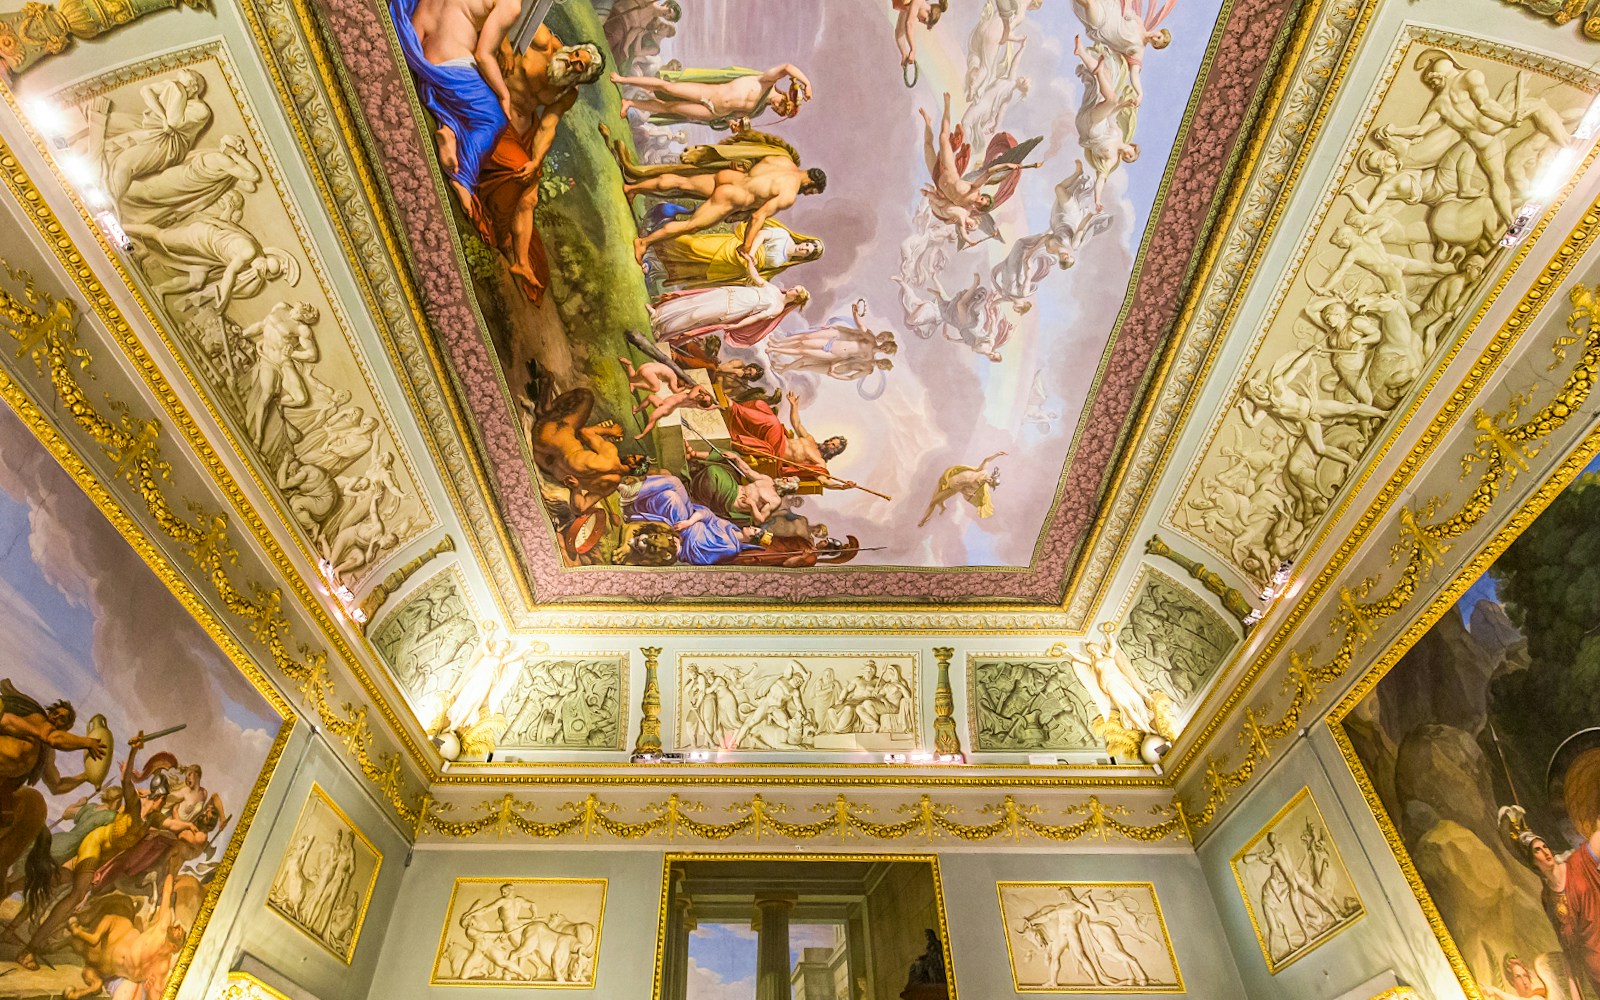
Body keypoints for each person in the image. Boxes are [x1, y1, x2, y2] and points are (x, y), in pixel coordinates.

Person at [475, 27, 605, 301]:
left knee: (530, 195)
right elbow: (507, 15)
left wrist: (536, 161)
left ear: (582, 76)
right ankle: (499, 230)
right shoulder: (543, 40)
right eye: (577, 56)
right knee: (515, 172)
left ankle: (521, 262)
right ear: (575, 48)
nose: (573, 64)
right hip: (496, 106)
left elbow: (548, 126)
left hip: (524, 130)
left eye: (580, 68)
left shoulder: (567, 92)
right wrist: (507, 45)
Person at [608, 127, 828, 264]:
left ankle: (632, 189)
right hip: (732, 198)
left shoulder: (782, 159)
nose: (807, 194)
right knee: (691, 226)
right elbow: (758, 217)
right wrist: (747, 245)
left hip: (729, 177)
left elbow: (749, 158)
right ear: (811, 182)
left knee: (680, 181)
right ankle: (644, 242)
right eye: (811, 192)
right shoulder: (789, 194)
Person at [390, 0, 521, 214]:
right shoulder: (510, 5)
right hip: (447, 61)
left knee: (467, 95)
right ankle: (463, 179)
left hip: (415, 37)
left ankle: (450, 133)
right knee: (495, 119)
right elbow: (484, 55)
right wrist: (504, 94)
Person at [920, 91, 1034, 237]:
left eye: (981, 203)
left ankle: (928, 122)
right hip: (948, 169)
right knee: (943, 137)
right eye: (982, 198)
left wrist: (969, 228)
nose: (979, 200)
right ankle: (947, 105)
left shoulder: (966, 210)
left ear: (980, 208)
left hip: (938, 178)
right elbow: (990, 172)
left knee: (927, 146)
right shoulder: (975, 188)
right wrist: (1008, 166)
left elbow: (956, 220)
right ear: (982, 195)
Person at [647, 252, 810, 348]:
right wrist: (748, 261)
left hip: (732, 309)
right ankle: (658, 314)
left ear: (797, 299)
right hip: (730, 293)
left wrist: (736, 325)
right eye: (796, 287)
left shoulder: (777, 308)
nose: (793, 289)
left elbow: (756, 317)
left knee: (696, 316)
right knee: (692, 302)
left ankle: (661, 331)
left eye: (797, 291)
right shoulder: (774, 290)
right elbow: (756, 277)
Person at [613, 63, 812, 130]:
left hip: (713, 112)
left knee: (671, 108)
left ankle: (629, 103)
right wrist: (806, 83)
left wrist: (732, 124)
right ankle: (623, 79)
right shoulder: (766, 82)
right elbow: (787, 68)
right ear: (784, 97)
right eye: (780, 106)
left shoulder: (758, 110)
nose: (776, 109)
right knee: (669, 88)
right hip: (709, 93)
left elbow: (734, 116)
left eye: (778, 112)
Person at [621, 475, 766, 565]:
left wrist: (680, 550)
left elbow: (703, 560)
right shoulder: (731, 527)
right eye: (755, 527)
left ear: (752, 539)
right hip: (689, 519)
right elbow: (707, 514)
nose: (752, 527)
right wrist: (690, 521)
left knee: (671, 498)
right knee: (675, 481)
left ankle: (633, 507)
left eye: (755, 531)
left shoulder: (730, 549)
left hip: (684, 532)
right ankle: (631, 493)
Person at [653, 220, 823, 289]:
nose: (804, 249)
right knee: (694, 246)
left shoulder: (785, 263)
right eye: (807, 245)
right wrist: (752, 252)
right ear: (805, 241)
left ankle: (654, 266)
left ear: (805, 257)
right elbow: (761, 235)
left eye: (807, 252)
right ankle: (656, 238)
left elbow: (762, 272)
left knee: (697, 269)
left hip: (733, 268)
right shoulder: (784, 236)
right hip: (735, 249)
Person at [726, 391, 847, 480]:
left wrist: (841, 487)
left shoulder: (820, 462)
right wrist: (794, 406)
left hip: (777, 451)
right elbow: (797, 423)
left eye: (833, 445)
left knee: (773, 422)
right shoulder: (811, 440)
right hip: (777, 439)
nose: (829, 443)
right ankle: (734, 416)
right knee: (760, 404)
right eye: (831, 440)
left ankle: (733, 407)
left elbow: (824, 481)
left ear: (834, 452)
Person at [918, 452, 1005, 526]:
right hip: (948, 477)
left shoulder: (976, 486)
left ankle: (923, 520)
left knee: (933, 502)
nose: (989, 481)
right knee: (936, 497)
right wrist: (996, 455)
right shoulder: (982, 472)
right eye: (991, 480)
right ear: (991, 477)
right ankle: (943, 506)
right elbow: (986, 460)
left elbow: (962, 490)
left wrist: (967, 494)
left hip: (952, 488)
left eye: (990, 483)